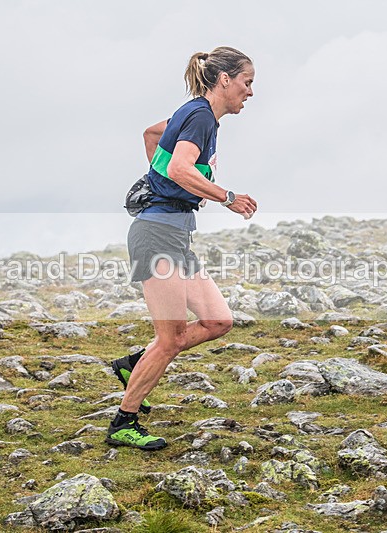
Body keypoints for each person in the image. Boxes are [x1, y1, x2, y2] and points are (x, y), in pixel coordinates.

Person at [105, 46, 258, 450]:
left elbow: (152, 135)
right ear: (224, 80)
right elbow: (178, 167)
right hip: (157, 236)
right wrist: (225, 197)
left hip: (174, 236)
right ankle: (123, 423)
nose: (250, 92)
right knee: (170, 339)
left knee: (218, 321)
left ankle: (135, 364)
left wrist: (169, 186)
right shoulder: (201, 116)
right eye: (247, 82)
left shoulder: (196, 115)